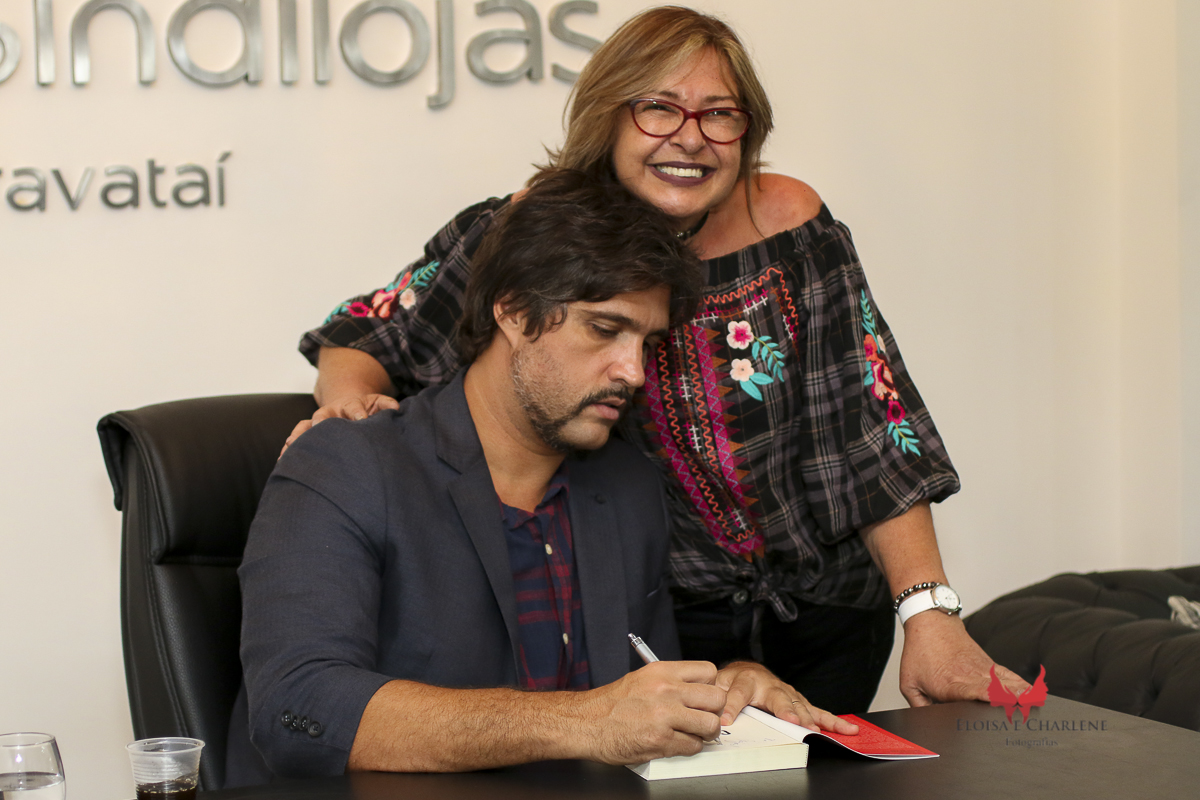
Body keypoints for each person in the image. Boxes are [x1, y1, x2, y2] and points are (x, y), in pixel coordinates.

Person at [289, 6, 1028, 723]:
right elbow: (369, 332)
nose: (691, 137)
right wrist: (346, 409)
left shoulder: (791, 226)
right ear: (608, 116)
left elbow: (870, 425)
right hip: (661, 626)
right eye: (659, 108)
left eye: (720, 114)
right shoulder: (533, 232)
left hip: (832, 615)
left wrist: (928, 615)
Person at [229, 171, 852, 784]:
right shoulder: (345, 465)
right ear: (512, 311)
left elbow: (640, 700)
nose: (632, 372)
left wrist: (725, 689)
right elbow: (298, 709)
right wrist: (587, 721)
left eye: (647, 343)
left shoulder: (629, 486)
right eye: (604, 329)